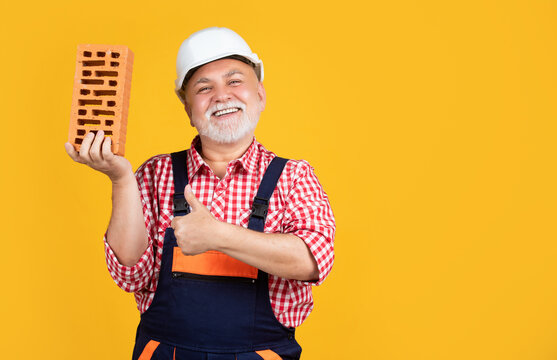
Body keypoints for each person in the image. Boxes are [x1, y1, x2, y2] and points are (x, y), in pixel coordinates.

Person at [65, 27, 335, 360]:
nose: (222, 95)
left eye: (235, 81)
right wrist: (120, 179)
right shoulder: (154, 174)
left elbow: (312, 260)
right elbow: (129, 274)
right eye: (204, 88)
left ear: (261, 95)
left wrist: (219, 235)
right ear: (189, 110)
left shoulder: (293, 178)